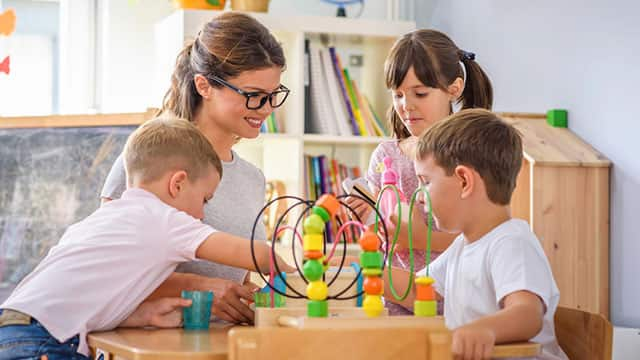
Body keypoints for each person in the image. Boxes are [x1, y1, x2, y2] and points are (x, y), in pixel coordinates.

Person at [0, 117, 293, 359]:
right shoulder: (165, 220)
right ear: (177, 183)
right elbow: (254, 254)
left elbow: (82, 297)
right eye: (205, 199)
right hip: (44, 342)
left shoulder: (105, 219)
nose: (202, 215)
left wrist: (141, 315)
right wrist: (300, 274)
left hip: (16, 328)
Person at [101, 12, 289, 324]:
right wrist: (201, 289)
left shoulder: (252, 179)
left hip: (220, 345)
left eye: (273, 96)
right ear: (204, 86)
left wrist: (250, 296)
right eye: (254, 96)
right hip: (150, 342)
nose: (267, 109)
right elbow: (107, 267)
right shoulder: (149, 159)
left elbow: (233, 279)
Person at [387, 109, 567, 360]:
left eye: (425, 182)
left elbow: (528, 314)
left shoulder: (511, 243)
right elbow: (418, 291)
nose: (419, 196)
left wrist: (485, 329)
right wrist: (360, 274)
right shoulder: (463, 245)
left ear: (464, 181)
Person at [347, 29, 493, 315]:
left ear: (454, 88)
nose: (406, 105)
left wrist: (417, 237)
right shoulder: (386, 155)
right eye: (398, 94)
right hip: (393, 302)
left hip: (454, 304)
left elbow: (484, 240)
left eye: (420, 93)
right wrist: (369, 219)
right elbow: (380, 242)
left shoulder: (475, 154)